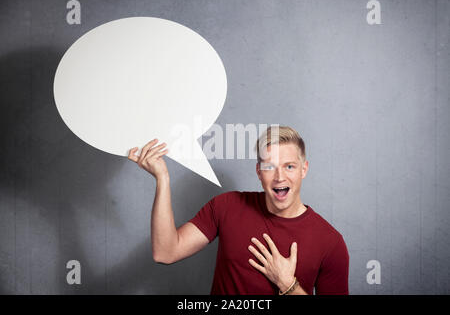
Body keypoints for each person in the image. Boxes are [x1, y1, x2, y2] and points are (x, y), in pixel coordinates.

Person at [128, 126, 349, 295]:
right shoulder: (227, 206)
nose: (280, 176)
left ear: (304, 169)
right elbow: (166, 252)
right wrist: (162, 179)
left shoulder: (330, 242)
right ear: (258, 172)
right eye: (269, 167)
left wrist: (288, 284)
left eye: (289, 166)